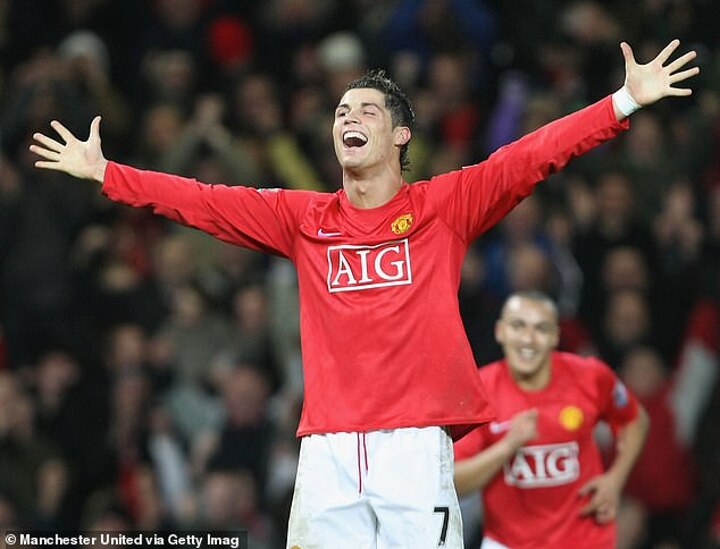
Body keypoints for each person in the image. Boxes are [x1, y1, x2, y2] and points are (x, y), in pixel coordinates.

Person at [29, 39, 696, 548]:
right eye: (341, 111)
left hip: (413, 447)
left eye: (366, 110)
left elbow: (529, 157)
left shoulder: (444, 206)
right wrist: (107, 173)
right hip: (326, 449)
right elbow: (204, 201)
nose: (349, 117)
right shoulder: (303, 218)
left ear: (400, 135)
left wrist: (622, 103)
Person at [453, 291, 650, 549]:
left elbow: (636, 420)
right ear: (500, 332)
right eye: (518, 326)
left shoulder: (590, 376)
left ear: (555, 336)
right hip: (508, 542)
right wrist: (507, 446)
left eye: (541, 328)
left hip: (584, 540)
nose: (528, 339)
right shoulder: (480, 391)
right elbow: (454, 480)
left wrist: (616, 479)